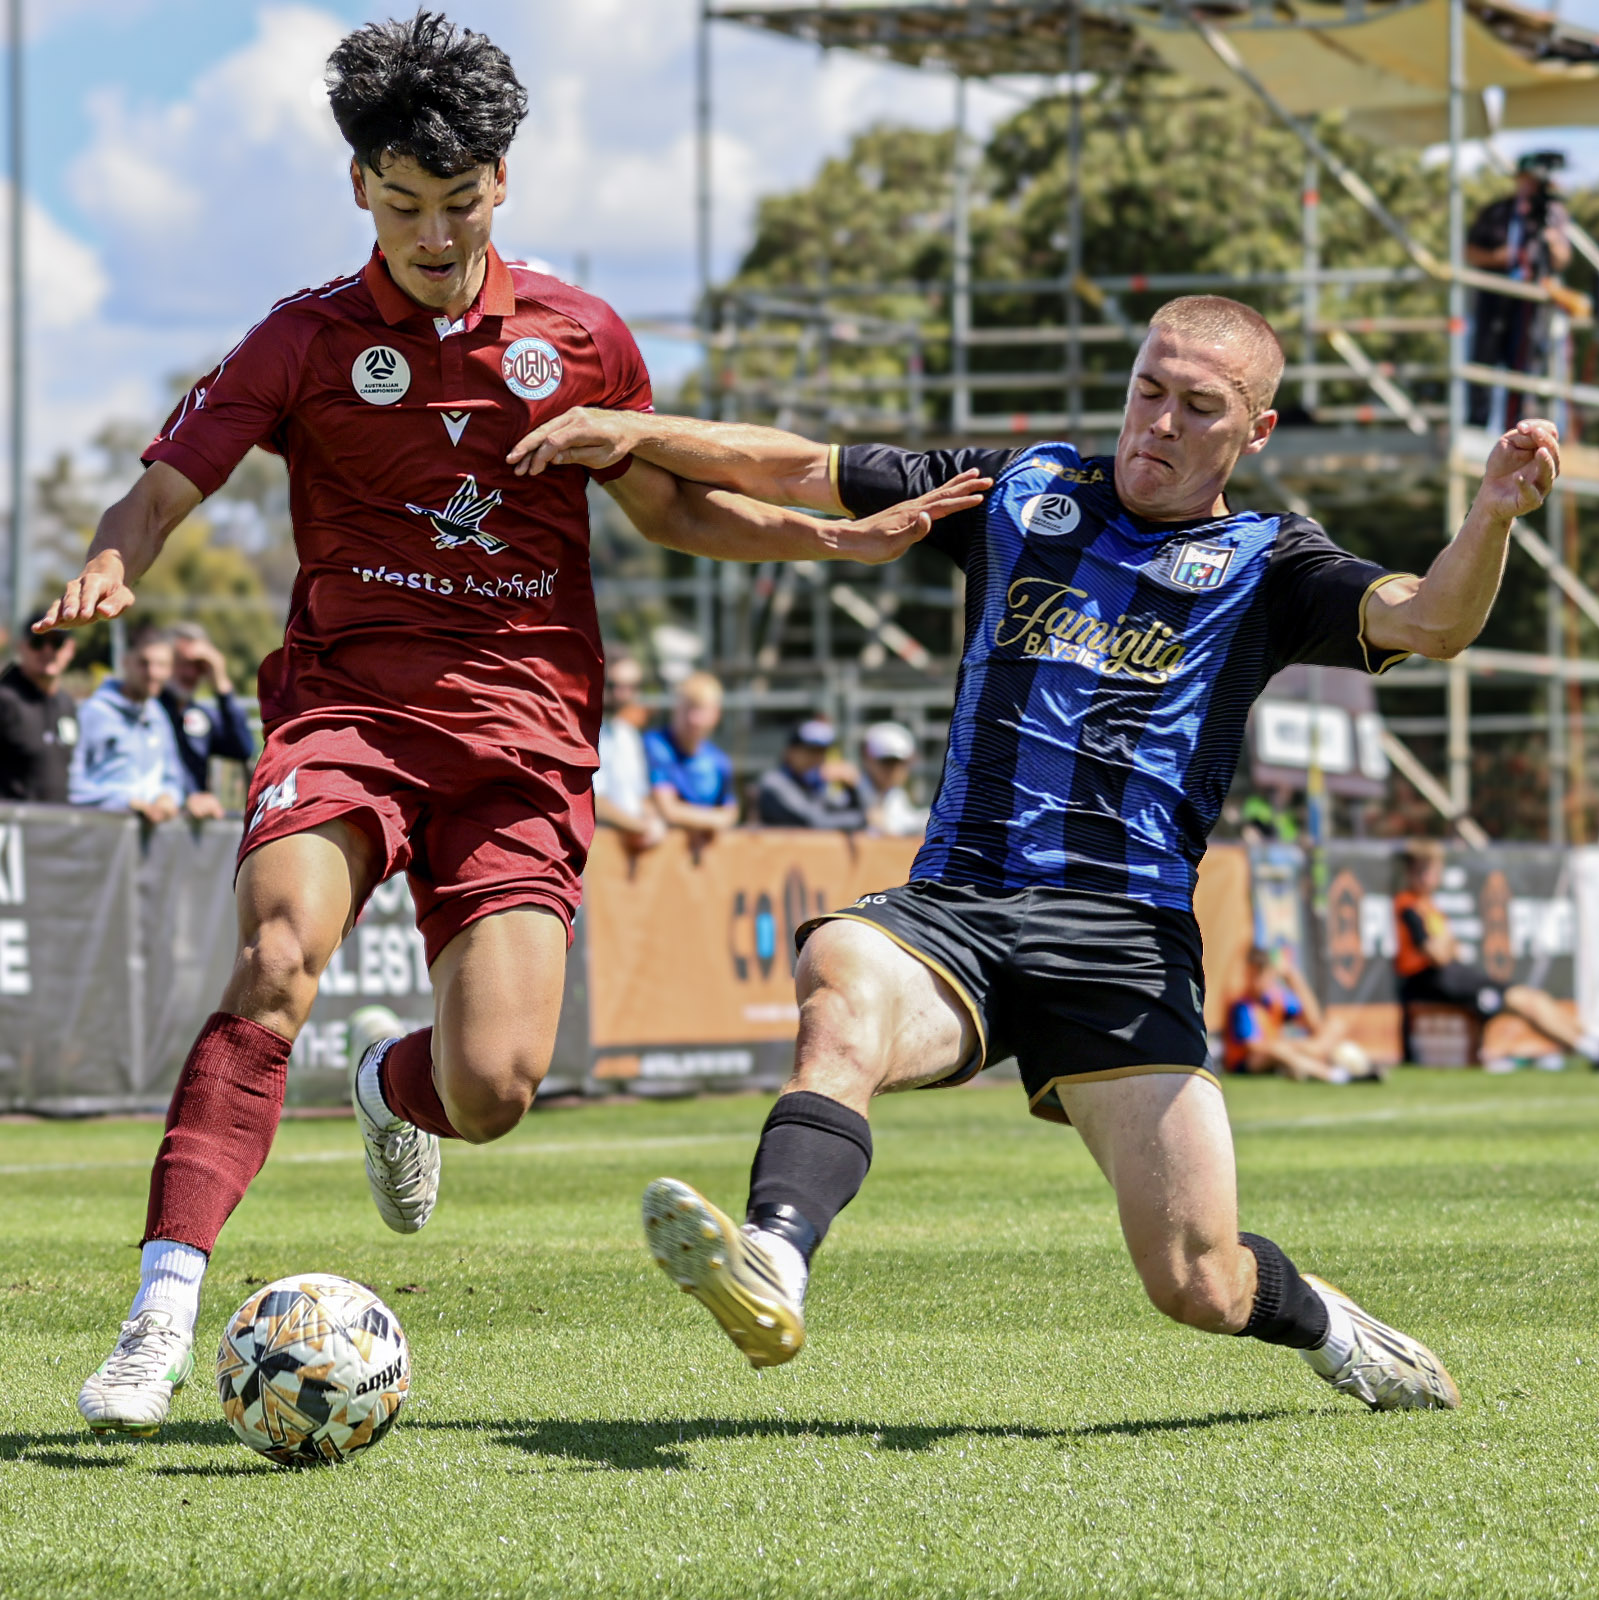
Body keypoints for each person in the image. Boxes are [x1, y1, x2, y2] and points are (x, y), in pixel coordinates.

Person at [49, 11, 977, 1439]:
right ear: (359, 186)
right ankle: (160, 1313)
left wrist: (830, 540)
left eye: (458, 202)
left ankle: (387, 1085)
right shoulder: (302, 338)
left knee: (490, 1089)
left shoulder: (580, 337)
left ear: (503, 180)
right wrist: (116, 561)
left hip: (523, 736)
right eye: (402, 204)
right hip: (349, 709)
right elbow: (168, 485)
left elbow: (670, 506)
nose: (432, 235)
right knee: (277, 956)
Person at [518, 293, 1569, 1413]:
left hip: (1123, 938)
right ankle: (774, 1254)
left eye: (1197, 406)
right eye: (1147, 389)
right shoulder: (1019, 488)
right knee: (842, 979)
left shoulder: (1270, 563)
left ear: (1255, 430)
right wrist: (634, 428)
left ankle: (1328, 1325)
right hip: (959, 905)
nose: (1158, 422)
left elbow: (1432, 620)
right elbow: (797, 467)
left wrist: (1492, 515)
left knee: (1198, 1280)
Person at [1394, 841, 1599, 1068]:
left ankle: (1591, 1041)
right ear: (1410, 873)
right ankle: (1589, 1049)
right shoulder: (1409, 906)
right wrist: (1446, 942)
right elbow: (1438, 955)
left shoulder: (1430, 907)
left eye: (1432, 870)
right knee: (1524, 1003)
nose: (1428, 877)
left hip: (1454, 975)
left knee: (1534, 998)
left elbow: (1452, 950)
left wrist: (1446, 943)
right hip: (1433, 982)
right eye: (1422, 871)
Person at [1466, 151, 1574, 430]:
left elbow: (1562, 260)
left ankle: (1519, 430)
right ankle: (1476, 425)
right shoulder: (1496, 212)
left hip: (1530, 308)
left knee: (1525, 366)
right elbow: (1470, 252)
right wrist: (1499, 257)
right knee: (1483, 362)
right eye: (1525, 180)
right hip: (1493, 301)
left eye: (1534, 182)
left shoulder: (1552, 216)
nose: (1529, 186)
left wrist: (1552, 240)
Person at [68, 625, 189, 823]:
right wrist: (125, 803)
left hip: (147, 834)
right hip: (102, 829)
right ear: (125, 662)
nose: (152, 673)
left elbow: (173, 778)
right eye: (143, 663)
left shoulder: (158, 715)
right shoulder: (94, 713)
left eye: (161, 665)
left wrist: (168, 797)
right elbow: (74, 784)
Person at [1223, 946, 1381, 1084]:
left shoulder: (1273, 1001)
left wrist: (1294, 979)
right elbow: (1254, 1047)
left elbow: (1314, 1022)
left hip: (1284, 1051)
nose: (1259, 981)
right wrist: (1300, 1046)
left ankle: (1313, 1062)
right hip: (1249, 1062)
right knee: (1278, 1048)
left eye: (1265, 975)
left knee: (1335, 1025)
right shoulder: (1243, 1007)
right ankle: (1334, 1075)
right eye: (1254, 975)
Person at [159, 622, 255, 818]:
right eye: (182, 663)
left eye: (199, 666)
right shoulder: (146, 711)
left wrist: (220, 683)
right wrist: (185, 798)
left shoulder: (198, 715)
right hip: (158, 815)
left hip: (195, 822)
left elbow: (243, 748)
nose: (190, 673)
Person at [644, 671, 738, 845]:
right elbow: (668, 810)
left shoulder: (719, 761)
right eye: (688, 708)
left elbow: (730, 814)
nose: (693, 719)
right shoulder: (654, 745)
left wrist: (710, 819)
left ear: (716, 714)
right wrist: (714, 820)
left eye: (701, 710)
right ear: (676, 708)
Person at [0, 611, 79, 803]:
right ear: (21, 646)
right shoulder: (4, 699)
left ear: (70, 649)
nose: (47, 650)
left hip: (59, 818)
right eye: (38, 642)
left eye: (57, 643)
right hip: (10, 819)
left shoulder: (67, 704)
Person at [593, 651, 664, 852]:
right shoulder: (582, 733)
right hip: (598, 847)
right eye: (614, 685)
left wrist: (651, 821)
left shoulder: (627, 733)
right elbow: (591, 801)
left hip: (630, 848)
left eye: (632, 686)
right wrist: (642, 827)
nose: (624, 694)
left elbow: (642, 794)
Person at [755, 718, 866, 830]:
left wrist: (853, 786)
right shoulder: (774, 783)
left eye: (822, 751)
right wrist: (864, 818)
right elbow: (815, 822)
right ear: (790, 751)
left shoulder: (816, 782)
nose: (817, 758)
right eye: (811, 751)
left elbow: (846, 810)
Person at [858, 720, 927, 838]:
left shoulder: (896, 795)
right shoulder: (850, 793)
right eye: (887, 762)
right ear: (867, 759)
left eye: (902, 763)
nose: (895, 770)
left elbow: (909, 822)